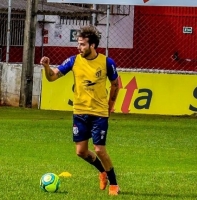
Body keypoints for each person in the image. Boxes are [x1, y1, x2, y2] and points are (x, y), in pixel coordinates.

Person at [40, 25, 120, 195]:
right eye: (78, 43)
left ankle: (114, 184)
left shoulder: (106, 62)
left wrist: (111, 105)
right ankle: (102, 171)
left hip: (99, 113)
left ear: (92, 45)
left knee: (99, 149)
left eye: (82, 44)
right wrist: (47, 67)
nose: (79, 47)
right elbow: (52, 77)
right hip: (80, 112)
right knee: (81, 152)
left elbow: (115, 84)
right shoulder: (73, 61)